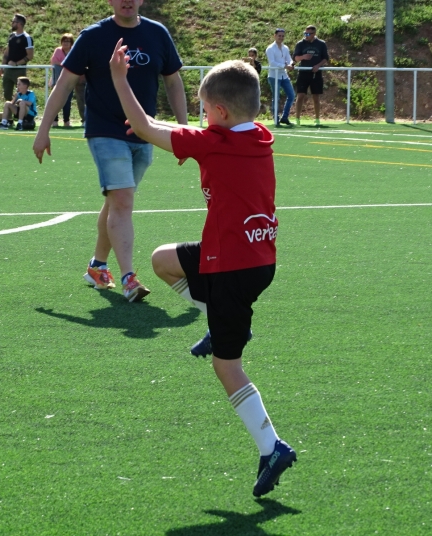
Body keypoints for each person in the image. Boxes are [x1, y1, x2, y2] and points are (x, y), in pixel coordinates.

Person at [110, 45, 296, 497]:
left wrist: (120, 79)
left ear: (218, 110)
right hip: (255, 258)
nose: (199, 116)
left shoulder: (215, 140)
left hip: (232, 267)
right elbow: (186, 132)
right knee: (163, 261)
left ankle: (272, 447)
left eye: (202, 109)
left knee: (226, 366)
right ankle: (215, 322)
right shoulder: (257, 136)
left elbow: (147, 126)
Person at [33, 0, 188, 303]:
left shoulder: (158, 34)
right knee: (123, 199)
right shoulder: (93, 36)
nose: (126, 1)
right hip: (105, 131)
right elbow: (64, 85)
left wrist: (185, 132)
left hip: (145, 132)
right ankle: (130, 278)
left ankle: (97, 266)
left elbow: (173, 82)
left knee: (118, 201)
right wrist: (43, 130)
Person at [293, 25, 329, 126]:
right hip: (303, 73)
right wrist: (303, 57)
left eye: (308, 34)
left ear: (314, 34)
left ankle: (317, 119)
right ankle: (297, 119)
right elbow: (295, 58)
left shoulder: (321, 44)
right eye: (305, 33)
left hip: (316, 74)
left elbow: (325, 58)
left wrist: (318, 65)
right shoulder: (300, 44)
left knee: (316, 96)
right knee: (300, 95)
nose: (306, 35)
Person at [0, 14, 34, 101]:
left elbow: (30, 56)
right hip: (8, 69)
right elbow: (7, 53)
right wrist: (2, 66)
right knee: (7, 94)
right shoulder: (11, 36)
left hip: (19, 70)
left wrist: (16, 64)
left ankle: (22, 112)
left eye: (13, 22)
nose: (12, 23)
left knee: (22, 93)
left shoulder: (27, 38)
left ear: (19, 24)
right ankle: (9, 112)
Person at [265, 28, 295, 125]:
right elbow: (272, 63)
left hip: (283, 75)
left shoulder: (285, 48)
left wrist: (291, 64)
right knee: (276, 97)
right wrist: (284, 66)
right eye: (279, 36)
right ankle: (276, 118)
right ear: (275, 36)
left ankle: (285, 117)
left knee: (291, 95)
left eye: (282, 36)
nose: (281, 38)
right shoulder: (270, 48)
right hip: (274, 76)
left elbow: (289, 59)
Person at [49, 33, 76, 127]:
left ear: (71, 43)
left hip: (69, 81)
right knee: (55, 100)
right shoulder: (58, 50)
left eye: (68, 41)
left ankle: (66, 121)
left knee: (67, 101)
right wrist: (65, 64)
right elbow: (54, 62)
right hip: (56, 80)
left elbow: (74, 63)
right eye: (64, 41)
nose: (66, 43)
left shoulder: (74, 51)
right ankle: (55, 121)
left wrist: (62, 64)